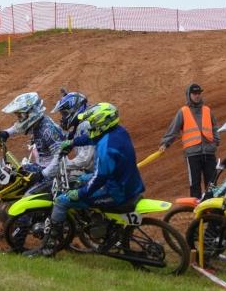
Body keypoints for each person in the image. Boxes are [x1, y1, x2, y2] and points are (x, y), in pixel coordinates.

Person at [30, 102, 145, 257]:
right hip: (126, 181)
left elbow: (99, 178)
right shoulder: (118, 132)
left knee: (62, 201)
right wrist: (73, 142)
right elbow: (92, 137)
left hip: (116, 191)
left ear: (102, 123)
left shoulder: (106, 147)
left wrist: (80, 193)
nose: (90, 126)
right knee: (82, 178)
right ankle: (101, 223)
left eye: (92, 122)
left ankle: (48, 249)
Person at [159, 83, 220, 198]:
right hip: (193, 155)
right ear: (189, 95)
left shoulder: (207, 110)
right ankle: (196, 208)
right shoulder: (183, 111)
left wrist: (216, 141)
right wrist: (165, 143)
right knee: (195, 185)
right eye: (194, 93)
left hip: (209, 152)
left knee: (212, 184)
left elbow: (215, 126)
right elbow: (174, 129)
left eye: (199, 93)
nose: (197, 96)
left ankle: (212, 208)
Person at [0, 92, 64, 186]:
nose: (19, 119)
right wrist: (7, 132)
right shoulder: (37, 123)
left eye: (20, 116)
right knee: (12, 174)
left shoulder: (48, 130)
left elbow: (60, 157)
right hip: (41, 166)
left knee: (24, 193)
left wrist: (43, 174)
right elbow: (19, 126)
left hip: (52, 174)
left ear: (32, 112)